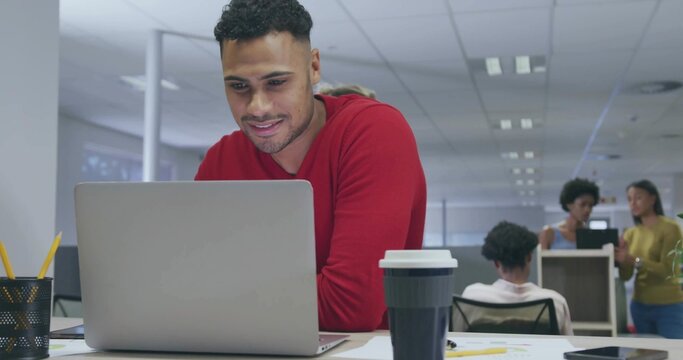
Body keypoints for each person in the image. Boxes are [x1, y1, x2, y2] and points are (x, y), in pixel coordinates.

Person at [195, 0, 426, 332]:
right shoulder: (220, 160)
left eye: (276, 83)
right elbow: (189, 290)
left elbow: (350, 307)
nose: (258, 108)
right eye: (239, 86)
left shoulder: (373, 131)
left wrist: (223, 296)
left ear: (314, 67)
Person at [463, 221, 574, 335]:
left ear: (497, 264)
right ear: (529, 257)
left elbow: (455, 340)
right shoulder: (555, 301)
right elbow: (567, 347)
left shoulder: (472, 296)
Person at [615, 180, 683, 339]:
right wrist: (622, 259)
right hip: (640, 305)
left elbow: (668, 270)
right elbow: (626, 276)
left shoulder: (670, 228)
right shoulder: (630, 233)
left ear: (653, 199)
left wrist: (634, 260)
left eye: (638, 197)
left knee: (675, 353)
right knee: (646, 354)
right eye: (629, 199)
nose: (633, 203)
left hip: (669, 306)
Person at [539, 178, 600, 249]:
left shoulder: (591, 237)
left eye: (590, 205)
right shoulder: (549, 233)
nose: (587, 210)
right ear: (569, 204)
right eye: (582, 204)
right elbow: (542, 259)